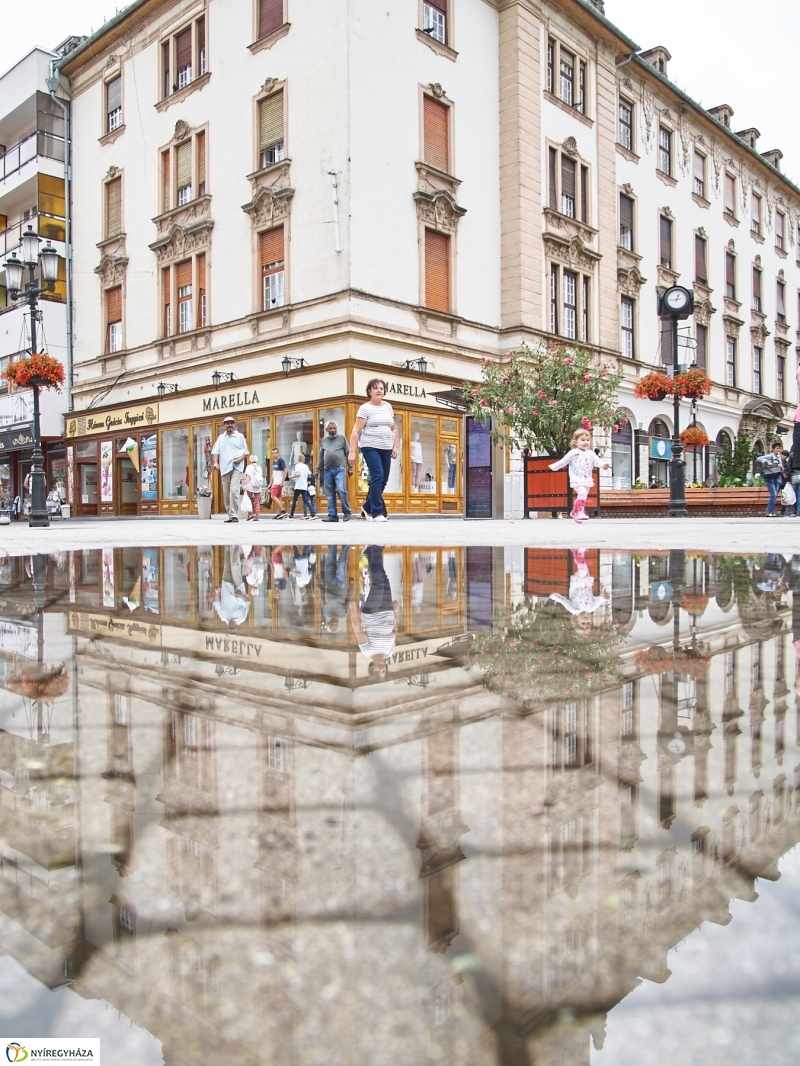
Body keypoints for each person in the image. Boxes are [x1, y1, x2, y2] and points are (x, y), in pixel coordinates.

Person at [348, 378, 397, 522]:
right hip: (370, 446)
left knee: (384, 480)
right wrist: (352, 452)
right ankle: (376, 513)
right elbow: (356, 431)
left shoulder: (388, 406)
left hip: (386, 447)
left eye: (381, 388)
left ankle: (366, 506)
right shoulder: (365, 408)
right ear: (370, 391)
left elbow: (393, 428)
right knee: (378, 476)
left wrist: (395, 446)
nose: (379, 390)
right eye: (376, 388)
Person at [349, 546, 399, 680]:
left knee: (377, 584)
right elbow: (395, 630)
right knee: (384, 580)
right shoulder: (390, 652)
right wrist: (396, 613)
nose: (381, 669)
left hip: (372, 611)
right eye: (384, 672)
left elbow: (358, 630)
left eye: (378, 671)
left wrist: (353, 608)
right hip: (387, 610)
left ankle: (376, 549)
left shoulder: (367, 651)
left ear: (371, 667)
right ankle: (369, 554)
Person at [548, 427, 609, 523]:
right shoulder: (573, 452)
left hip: (587, 478)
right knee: (582, 493)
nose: (585, 442)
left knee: (583, 496)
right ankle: (580, 511)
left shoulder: (591, 454)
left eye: (588, 440)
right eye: (582, 440)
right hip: (576, 478)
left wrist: (604, 466)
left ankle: (574, 512)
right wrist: (554, 466)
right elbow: (564, 461)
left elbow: (598, 462)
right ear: (575, 442)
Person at [550, 549, 609, 636]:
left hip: (577, 585)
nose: (586, 621)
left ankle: (580, 553)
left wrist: (554, 596)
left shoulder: (573, 609)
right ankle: (576, 552)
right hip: (587, 584)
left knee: (583, 570)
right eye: (588, 623)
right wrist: (603, 598)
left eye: (583, 623)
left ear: (576, 620)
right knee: (585, 569)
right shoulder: (591, 608)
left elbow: (564, 601)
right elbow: (598, 601)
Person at [211, 416, 249, 523]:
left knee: (233, 490)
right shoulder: (221, 438)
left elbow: (246, 453)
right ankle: (230, 515)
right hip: (225, 467)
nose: (230, 425)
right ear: (224, 425)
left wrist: (239, 459)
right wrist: (215, 463)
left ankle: (234, 515)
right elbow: (215, 452)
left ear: (234, 424)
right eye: (227, 423)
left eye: (232, 423)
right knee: (226, 493)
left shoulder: (240, 436)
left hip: (237, 467)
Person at [317, 420, 352, 522]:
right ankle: (332, 516)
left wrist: (350, 467)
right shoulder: (323, 440)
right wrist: (317, 469)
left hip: (339, 469)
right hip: (327, 470)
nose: (333, 430)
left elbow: (348, 452)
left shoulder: (342, 438)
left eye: (334, 428)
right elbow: (321, 456)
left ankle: (347, 512)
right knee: (330, 494)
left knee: (341, 490)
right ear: (327, 429)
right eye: (331, 428)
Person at [213, 545, 251, 626]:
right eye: (234, 630)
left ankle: (227, 545)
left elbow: (217, 604)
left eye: (230, 629)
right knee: (234, 566)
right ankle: (234, 544)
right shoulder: (242, 618)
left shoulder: (223, 617)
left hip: (226, 587)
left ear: (227, 628)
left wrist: (217, 593)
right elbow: (248, 602)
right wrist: (241, 596)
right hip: (238, 588)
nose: (232, 627)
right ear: (236, 629)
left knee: (227, 565)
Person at [756, 439, 785, 517]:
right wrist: (767, 462)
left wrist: (781, 467)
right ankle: (768, 512)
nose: (778, 450)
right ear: (773, 449)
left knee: (774, 495)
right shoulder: (769, 456)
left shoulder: (779, 458)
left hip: (777, 477)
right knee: (773, 494)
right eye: (777, 448)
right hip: (769, 477)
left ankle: (772, 512)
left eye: (779, 448)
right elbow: (759, 459)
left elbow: (781, 468)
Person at [289, 452, 316, 519]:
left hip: (298, 485)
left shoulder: (297, 465)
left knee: (295, 500)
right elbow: (309, 475)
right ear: (303, 459)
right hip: (304, 485)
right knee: (306, 500)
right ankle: (312, 513)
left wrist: (291, 476)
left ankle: (291, 514)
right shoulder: (306, 466)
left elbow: (298, 474)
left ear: (298, 459)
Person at [243, 454, 264, 522]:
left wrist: (245, 485)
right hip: (258, 487)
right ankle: (257, 516)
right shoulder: (259, 467)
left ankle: (251, 513)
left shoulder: (249, 467)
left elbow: (248, 477)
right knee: (257, 502)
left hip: (250, 486)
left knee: (248, 499)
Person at [269, 447, 289, 519]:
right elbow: (273, 473)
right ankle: (280, 513)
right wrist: (270, 483)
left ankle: (283, 511)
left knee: (273, 496)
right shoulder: (274, 461)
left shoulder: (281, 461)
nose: (274, 455)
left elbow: (285, 470)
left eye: (275, 453)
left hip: (278, 482)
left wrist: (282, 482)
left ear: (278, 453)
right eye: (273, 453)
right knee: (278, 497)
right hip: (275, 482)